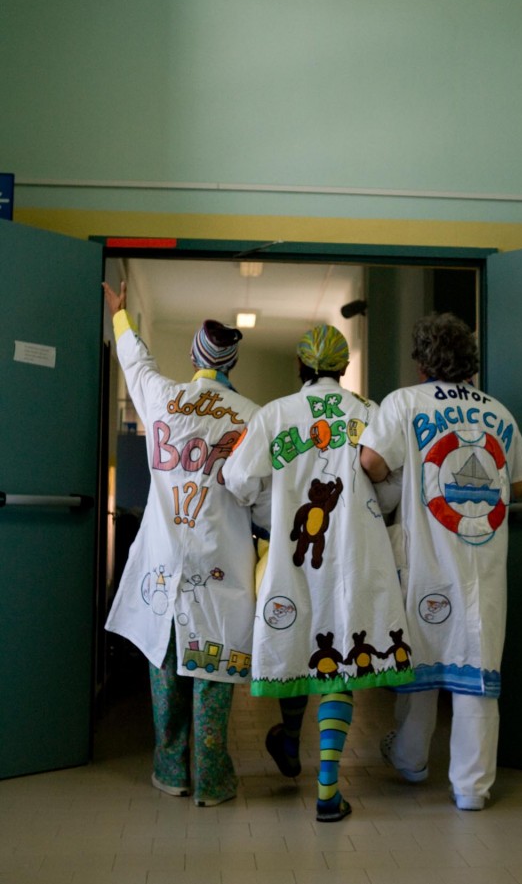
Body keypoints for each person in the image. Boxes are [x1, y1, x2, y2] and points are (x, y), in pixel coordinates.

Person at [222, 324, 413, 822]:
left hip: (293, 553)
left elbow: (238, 479)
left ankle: (289, 739)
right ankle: (328, 791)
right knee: (338, 658)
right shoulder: (369, 413)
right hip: (357, 557)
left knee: (297, 642)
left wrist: (272, 509)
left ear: (300, 366)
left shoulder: (275, 414)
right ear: (344, 368)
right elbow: (391, 487)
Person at [360, 312, 522, 811]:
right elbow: (520, 484)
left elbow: (371, 462)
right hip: (482, 560)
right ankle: (472, 788)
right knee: (477, 669)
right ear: (470, 362)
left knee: (422, 658)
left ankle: (411, 759)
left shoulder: (404, 402)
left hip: (427, 558)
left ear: (422, 362)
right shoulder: (498, 412)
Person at [103, 280, 266, 807]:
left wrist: (120, 315)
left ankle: (170, 770)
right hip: (220, 563)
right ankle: (212, 781)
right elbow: (260, 499)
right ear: (231, 364)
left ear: (195, 358)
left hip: (164, 560)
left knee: (164, 663)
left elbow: (136, 361)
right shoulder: (252, 418)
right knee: (213, 669)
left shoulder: (163, 398)